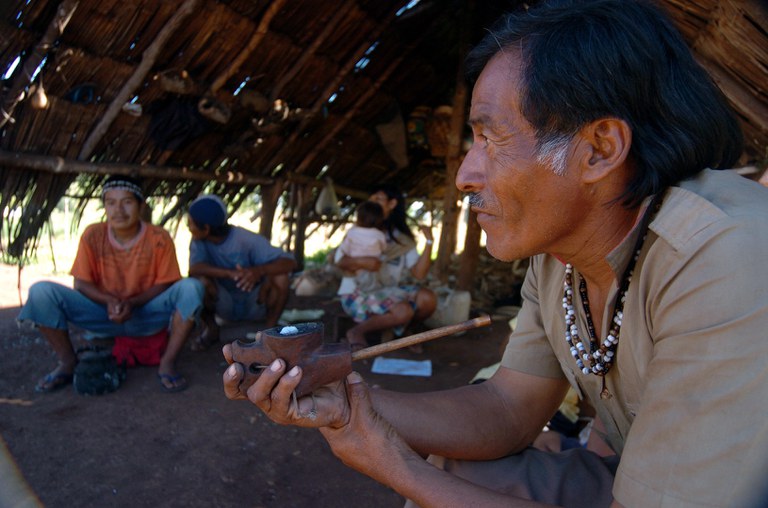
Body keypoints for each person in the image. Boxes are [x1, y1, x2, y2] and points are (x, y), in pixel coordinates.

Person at [222, 1, 768, 506]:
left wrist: (399, 468)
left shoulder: (726, 256)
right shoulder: (561, 257)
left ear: (599, 149)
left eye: (491, 138)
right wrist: (343, 402)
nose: (464, 175)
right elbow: (508, 410)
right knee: (460, 469)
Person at [19, 175, 204, 393]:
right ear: (105, 206)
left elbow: (167, 283)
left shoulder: (159, 237)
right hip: (102, 315)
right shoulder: (93, 235)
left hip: (147, 315)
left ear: (141, 206)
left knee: (192, 288)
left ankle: (168, 363)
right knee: (41, 292)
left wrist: (132, 303)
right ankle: (67, 363)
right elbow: (81, 283)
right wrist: (109, 301)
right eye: (111, 203)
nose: (118, 210)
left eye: (127, 202)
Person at [186, 194, 296, 350]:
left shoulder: (247, 239)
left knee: (281, 277)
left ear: (206, 229)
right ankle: (212, 329)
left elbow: (291, 262)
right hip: (223, 303)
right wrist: (231, 274)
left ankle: (269, 333)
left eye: (190, 223)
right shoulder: (198, 241)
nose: (188, 227)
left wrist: (258, 271)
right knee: (196, 282)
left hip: (255, 302)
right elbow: (194, 268)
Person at [334, 184, 437, 350]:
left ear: (392, 204)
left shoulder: (402, 240)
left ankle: (404, 331)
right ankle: (356, 332)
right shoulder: (358, 232)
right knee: (403, 310)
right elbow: (339, 262)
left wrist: (429, 242)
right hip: (357, 293)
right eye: (372, 198)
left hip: (388, 292)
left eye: (378, 199)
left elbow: (419, 274)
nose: (373, 202)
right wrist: (363, 262)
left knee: (427, 299)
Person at [337, 201, 387, 293]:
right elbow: (383, 248)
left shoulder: (351, 232)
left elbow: (344, 249)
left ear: (358, 218)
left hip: (353, 268)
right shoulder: (380, 235)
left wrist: (350, 256)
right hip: (372, 270)